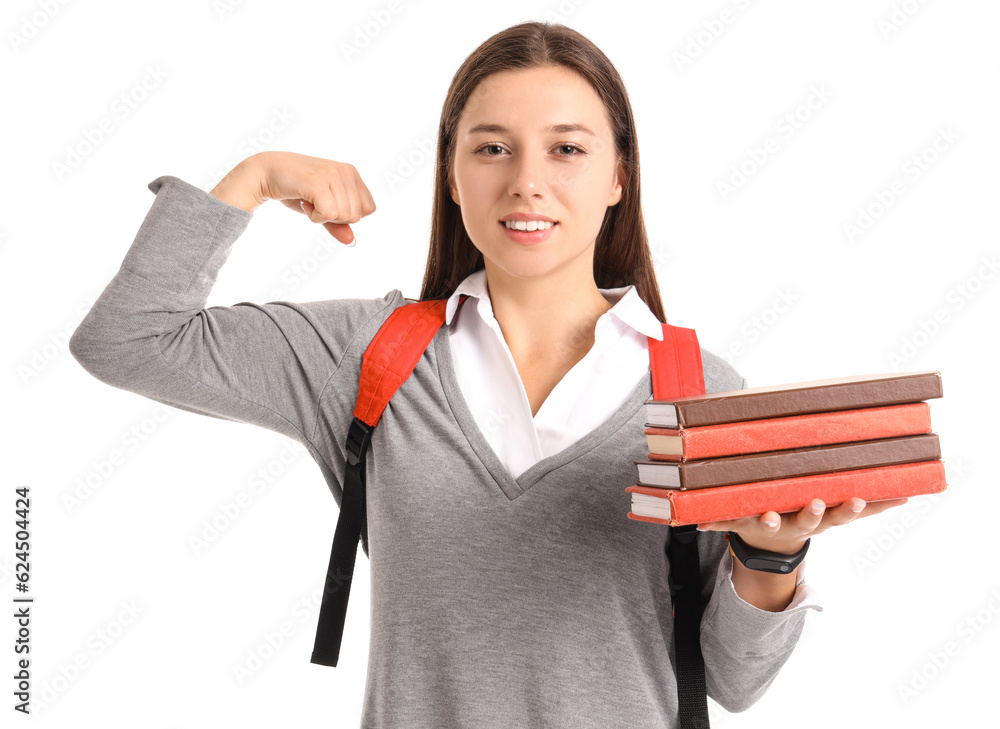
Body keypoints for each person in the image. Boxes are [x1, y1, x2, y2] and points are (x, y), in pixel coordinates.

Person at [70, 20, 907, 728]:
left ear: (619, 175)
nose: (527, 182)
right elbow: (127, 340)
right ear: (452, 172)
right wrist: (251, 180)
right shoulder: (368, 356)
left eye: (567, 148)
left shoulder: (697, 388)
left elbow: (734, 680)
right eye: (493, 147)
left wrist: (772, 552)